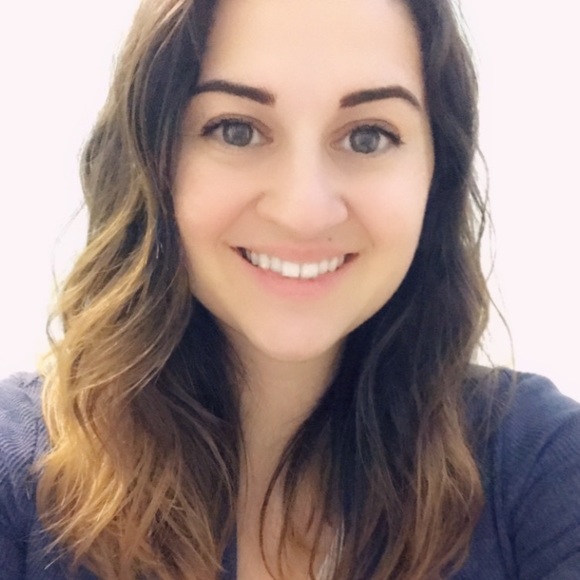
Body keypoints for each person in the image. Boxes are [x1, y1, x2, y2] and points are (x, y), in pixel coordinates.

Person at [1, 0, 579, 578]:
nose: (304, 211)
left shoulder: (538, 462)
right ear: (149, 161)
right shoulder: (18, 478)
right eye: (237, 131)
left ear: (436, 173)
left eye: (368, 137)